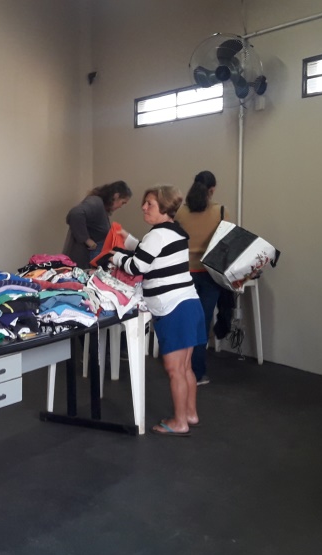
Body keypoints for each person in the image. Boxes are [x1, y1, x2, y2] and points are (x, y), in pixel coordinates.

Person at [111, 185, 206, 436]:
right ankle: (190, 414)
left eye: (150, 204)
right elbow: (150, 253)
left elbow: (137, 266)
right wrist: (127, 239)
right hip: (189, 304)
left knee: (174, 370)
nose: (143, 207)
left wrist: (114, 257)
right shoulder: (175, 232)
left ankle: (179, 422)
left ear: (164, 207)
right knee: (185, 368)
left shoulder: (157, 235)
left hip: (173, 308)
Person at [174, 170, 230, 386]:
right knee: (201, 323)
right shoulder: (221, 212)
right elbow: (227, 245)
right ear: (212, 190)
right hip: (209, 275)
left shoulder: (180, 213)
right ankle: (197, 373)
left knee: (182, 321)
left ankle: (179, 368)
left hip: (183, 274)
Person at [62, 181, 132, 267]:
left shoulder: (101, 207)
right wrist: (86, 240)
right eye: (123, 202)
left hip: (87, 263)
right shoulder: (96, 202)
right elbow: (75, 214)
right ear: (116, 196)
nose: (121, 206)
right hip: (80, 262)